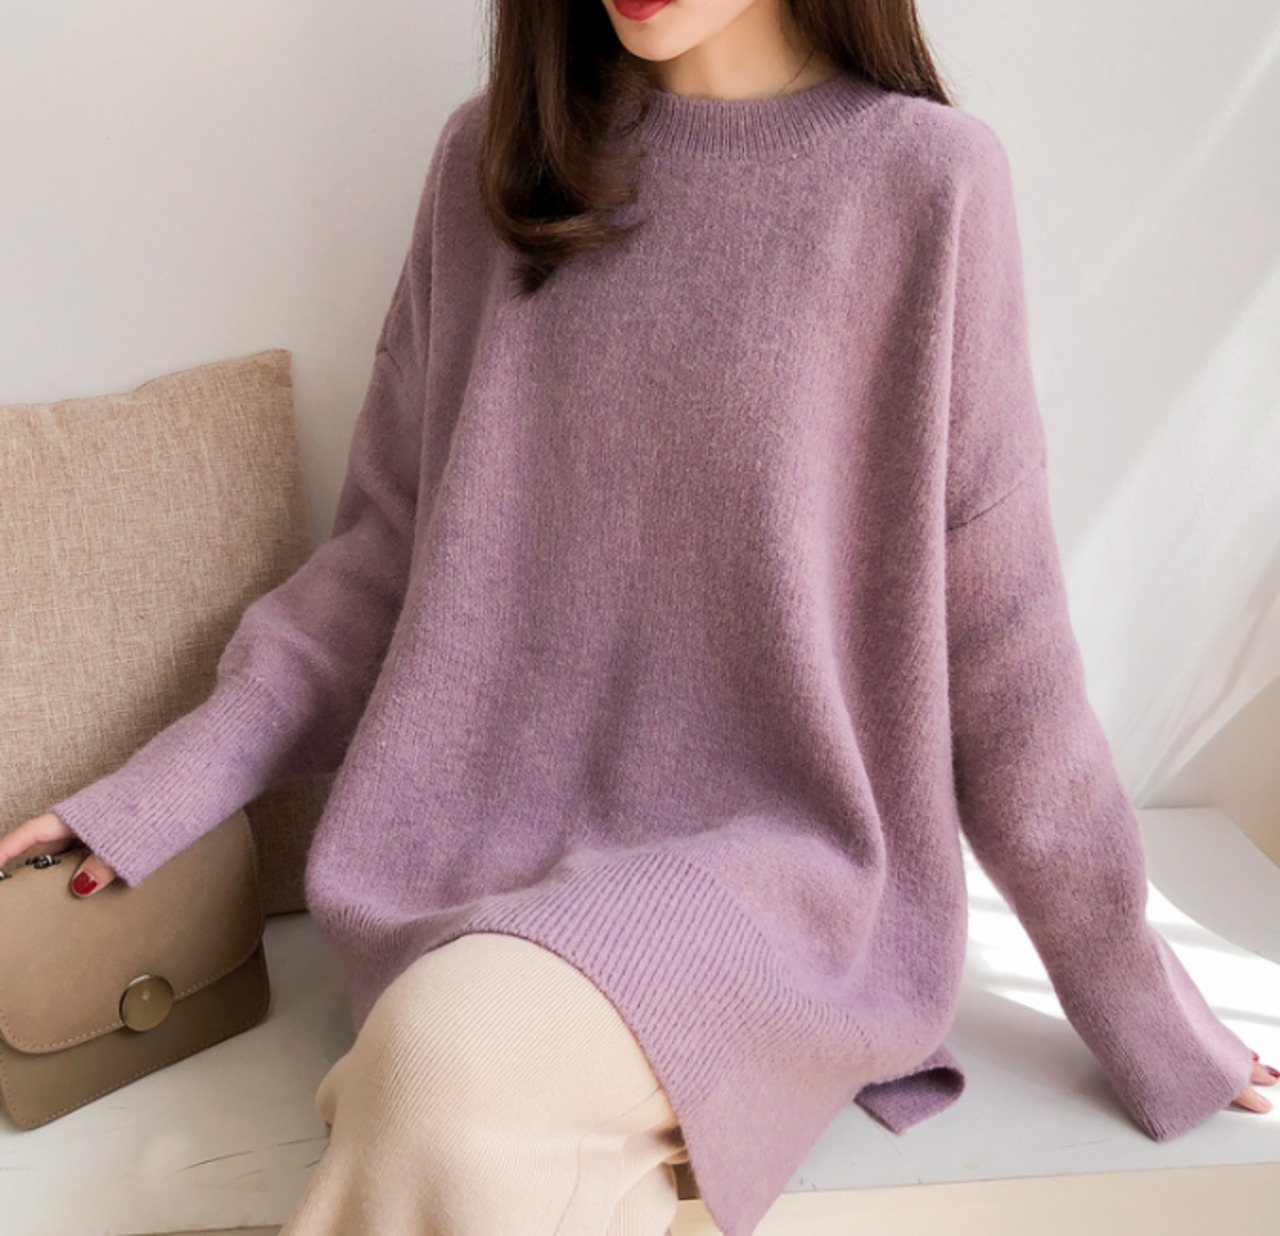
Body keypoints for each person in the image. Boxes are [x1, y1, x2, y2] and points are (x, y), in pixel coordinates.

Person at [4, 1, 1276, 1233]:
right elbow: (378, 564)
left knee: (440, 1079)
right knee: (467, 1105)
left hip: (770, 881)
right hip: (456, 866)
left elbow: (1003, 654)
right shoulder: (492, 162)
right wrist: (161, 791)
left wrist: (1141, 1008)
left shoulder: (923, 182)